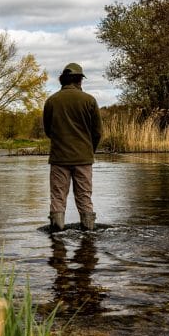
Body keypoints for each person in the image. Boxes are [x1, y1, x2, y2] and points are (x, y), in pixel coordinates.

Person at [42, 62, 102, 232]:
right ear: (79, 80)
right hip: (84, 158)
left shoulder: (51, 101)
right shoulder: (89, 100)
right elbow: (97, 132)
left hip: (59, 158)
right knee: (84, 197)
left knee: (58, 197)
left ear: (63, 80)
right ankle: (89, 234)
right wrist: (90, 151)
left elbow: (48, 131)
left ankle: (57, 237)